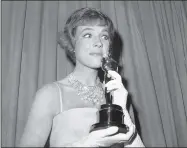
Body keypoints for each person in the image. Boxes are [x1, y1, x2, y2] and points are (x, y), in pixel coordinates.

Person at [19, 7, 145, 147]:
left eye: (104, 36)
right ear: (72, 44)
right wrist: (88, 144)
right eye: (87, 35)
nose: (98, 42)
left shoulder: (119, 95)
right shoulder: (50, 94)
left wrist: (124, 114)